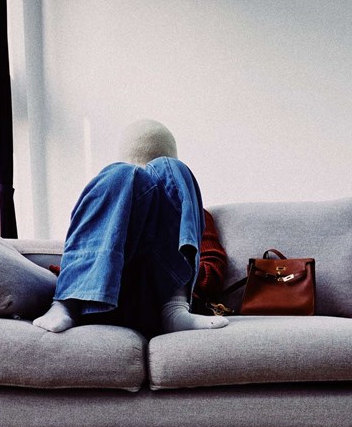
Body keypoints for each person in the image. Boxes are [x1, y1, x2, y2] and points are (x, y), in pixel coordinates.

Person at [33, 119, 229, 337]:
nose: (149, 185)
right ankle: (66, 303)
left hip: (156, 304)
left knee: (175, 169)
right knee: (120, 175)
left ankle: (175, 308)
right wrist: (96, 267)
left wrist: (170, 267)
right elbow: (82, 249)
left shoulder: (194, 214)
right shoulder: (114, 201)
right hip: (106, 299)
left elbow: (213, 274)